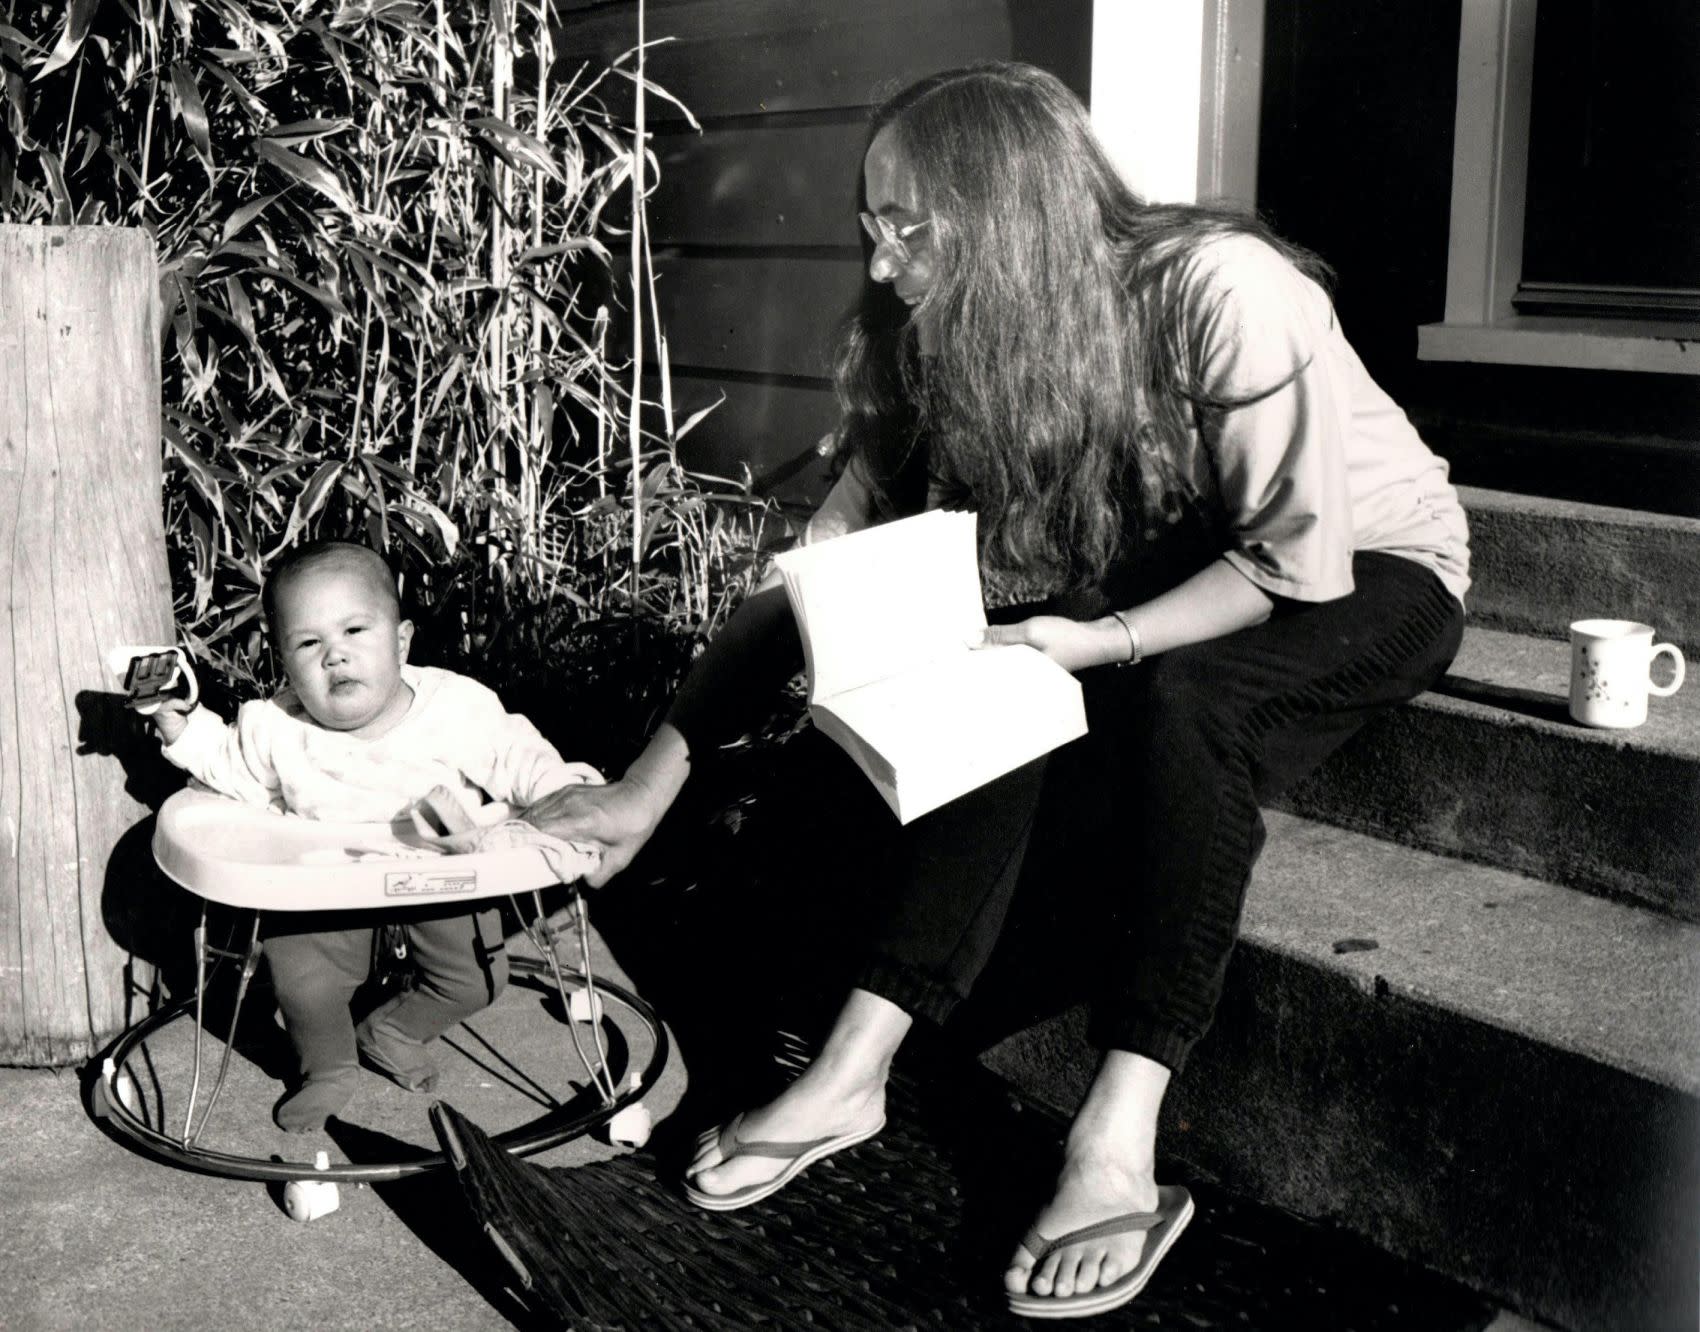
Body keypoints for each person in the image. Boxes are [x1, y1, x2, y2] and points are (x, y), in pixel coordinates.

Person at [516, 61, 1469, 1319]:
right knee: (986, 679)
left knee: (1187, 704)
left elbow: (1287, 563)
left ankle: (1116, 1138)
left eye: (908, 226)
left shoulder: (1221, 289)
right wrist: (645, 790)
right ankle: (852, 1072)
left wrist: (1102, 641)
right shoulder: (955, 339)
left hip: (1365, 570)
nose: (880, 261)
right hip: (1168, 583)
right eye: (871, 225)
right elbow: (815, 585)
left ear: (1006, 209)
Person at [149, 539, 602, 1132]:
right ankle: (327, 1068)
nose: (334, 655)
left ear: (401, 641)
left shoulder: (455, 709)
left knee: (475, 980)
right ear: (285, 665)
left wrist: (570, 801)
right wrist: (178, 725)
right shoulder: (276, 727)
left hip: (440, 870)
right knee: (305, 987)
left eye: (355, 631)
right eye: (308, 644)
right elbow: (228, 767)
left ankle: (390, 1030)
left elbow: (522, 761)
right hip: (324, 883)